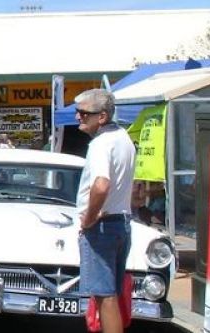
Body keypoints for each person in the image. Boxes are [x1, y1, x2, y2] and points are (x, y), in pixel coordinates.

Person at [74, 88, 136, 333]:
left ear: (102, 117)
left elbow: (101, 185)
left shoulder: (101, 143)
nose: (78, 117)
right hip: (120, 221)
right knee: (111, 294)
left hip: (103, 226)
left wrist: (89, 219)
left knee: (105, 296)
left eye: (84, 113)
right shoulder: (123, 138)